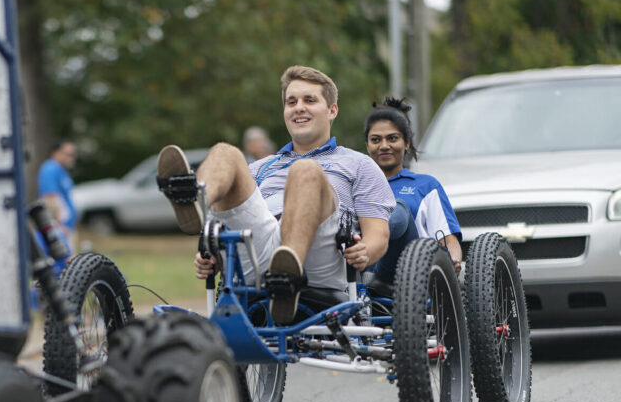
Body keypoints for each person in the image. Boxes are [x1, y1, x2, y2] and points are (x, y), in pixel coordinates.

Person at [158, 65, 394, 323]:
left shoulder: (359, 164)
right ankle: (194, 201)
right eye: (291, 102)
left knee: (305, 170)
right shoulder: (260, 167)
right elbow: (238, 213)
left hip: (320, 254)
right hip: (260, 245)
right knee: (226, 152)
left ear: (332, 110)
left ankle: (289, 273)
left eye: (309, 100)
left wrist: (365, 252)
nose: (298, 107)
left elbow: (378, 235)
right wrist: (210, 254)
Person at [364, 97, 463, 282]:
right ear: (367, 146)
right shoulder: (358, 186)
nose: (384, 146)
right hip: (360, 270)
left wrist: (453, 261)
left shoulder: (425, 185)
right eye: (376, 140)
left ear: (407, 143)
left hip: (407, 274)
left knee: (399, 210)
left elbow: (449, 240)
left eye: (392, 138)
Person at [37, 139, 78, 249]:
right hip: (59, 228)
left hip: (67, 227)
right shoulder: (50, 169)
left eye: (73, 155)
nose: (71, 158)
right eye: (68, 154)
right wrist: (58, 226)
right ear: (56, 153)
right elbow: (50, 198)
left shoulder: (62, 171)